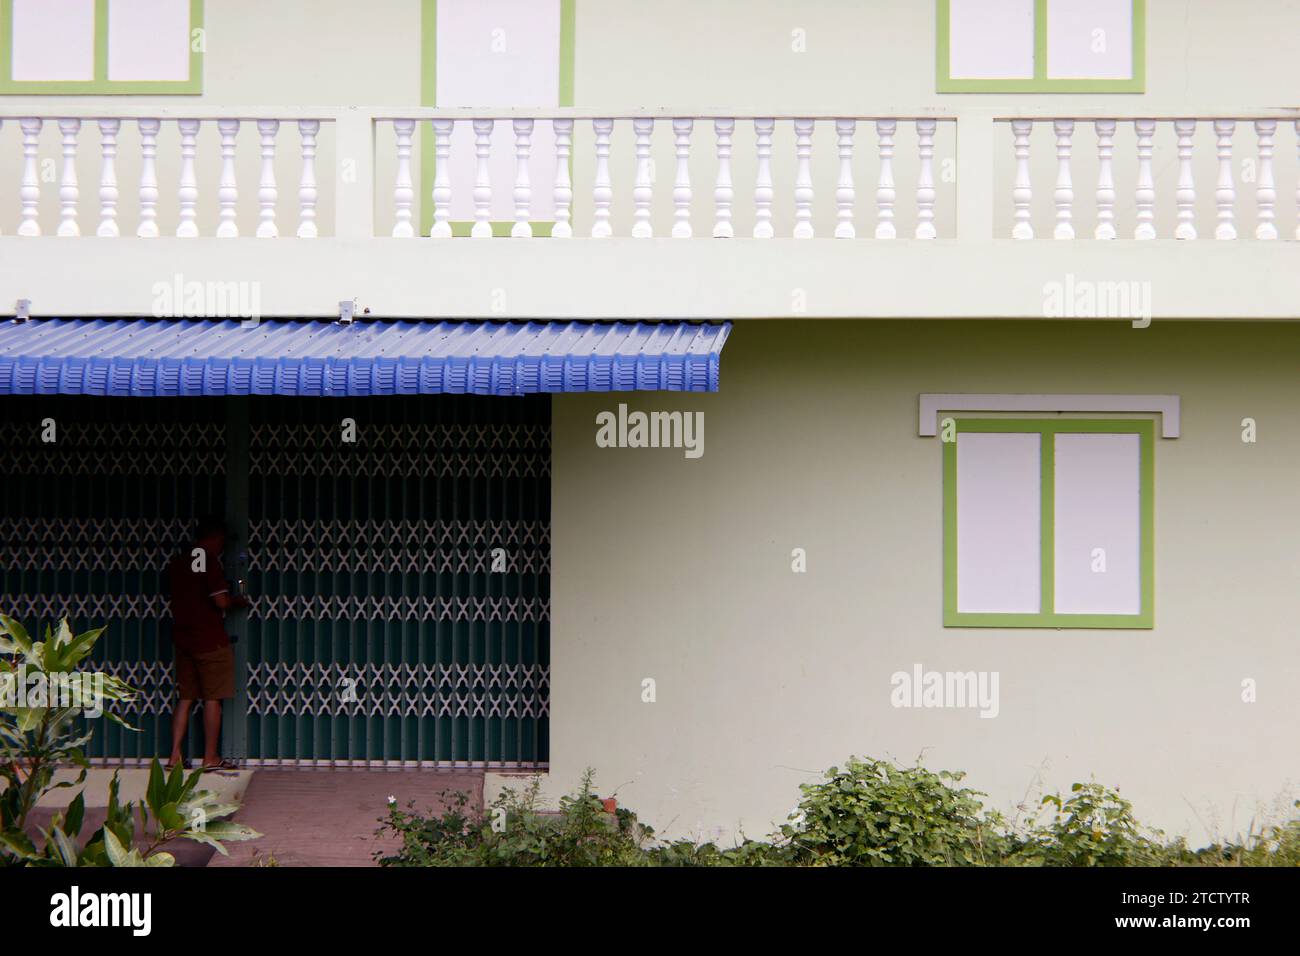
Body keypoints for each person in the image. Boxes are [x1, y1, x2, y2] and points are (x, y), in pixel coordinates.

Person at [164, 514, 249, 771]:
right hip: (209, 640)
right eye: (221, 541)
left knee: (186, 698)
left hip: (184, 639)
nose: (222, 546)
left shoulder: (178, 562)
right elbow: (220, 601)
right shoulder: (203, 559)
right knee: (213, 698)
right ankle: (210, 757)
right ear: (214, 538)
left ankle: (174, 755)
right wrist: (238, 600)